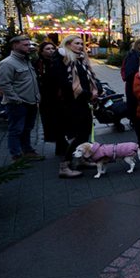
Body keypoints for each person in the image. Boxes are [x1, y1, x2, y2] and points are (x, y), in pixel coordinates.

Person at [56, 35, 101, 177]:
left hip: (84, 101)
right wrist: (88, 94)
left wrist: (96, 89)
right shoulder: (64, 60)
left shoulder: (81, 59)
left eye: (82, 43)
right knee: (80, 134)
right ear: (68, 44)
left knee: (86, 132)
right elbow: (66, 84)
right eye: (77, 43)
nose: (80, 46)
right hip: (73, 103)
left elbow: (88, 78)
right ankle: (65, 166)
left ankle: (81, 159)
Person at [0, 35, 44, 162]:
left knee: (27, 128)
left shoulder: (26, 60)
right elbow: (4, 84)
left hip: (31, 101)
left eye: (30, 44)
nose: (29, 47)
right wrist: (16, 99)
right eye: (25, 45)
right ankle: (16, 155)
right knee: (16, 129)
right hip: (18, 103)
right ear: (15, 45)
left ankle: (27, 150)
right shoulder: (7, 63)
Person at [35, 41, 69, 162]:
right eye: (47, 49)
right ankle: (61, 145)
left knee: (61, 121)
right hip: (47, 98)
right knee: (52, 122)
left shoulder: (58, 62)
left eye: (52, 48)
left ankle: (61, 145)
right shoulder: (38, 64)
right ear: (42, 51)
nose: (51, 51)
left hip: (60, 97)